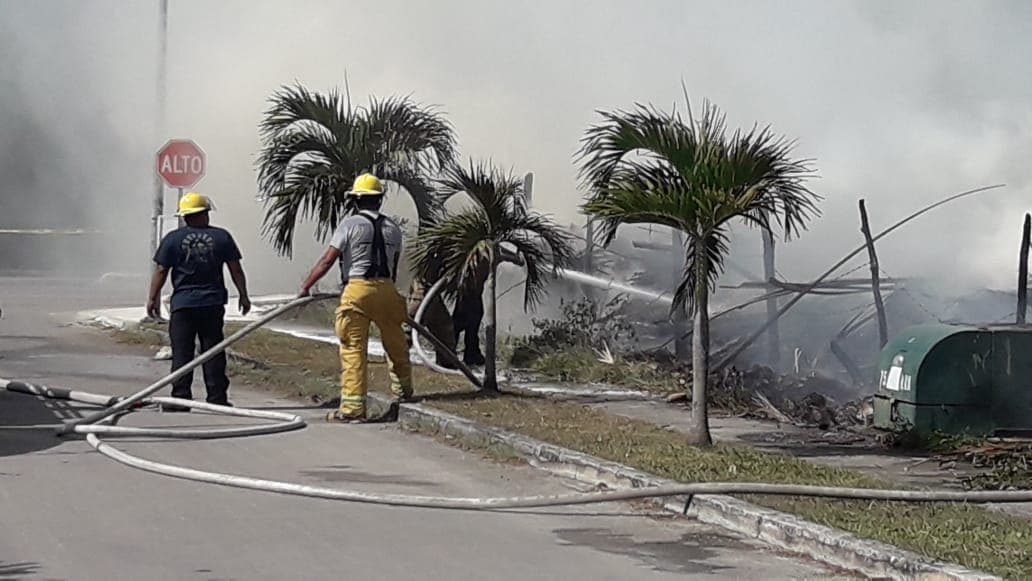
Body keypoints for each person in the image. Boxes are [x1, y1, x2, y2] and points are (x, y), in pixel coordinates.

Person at [297, 173, 412, 423]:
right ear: (379, 200)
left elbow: (328, 259)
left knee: (353, 350)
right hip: (387, 290)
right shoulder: (393, 228)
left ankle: (352, 410)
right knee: (396, 345)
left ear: (356, 200)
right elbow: (394, 264)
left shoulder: (350, 225)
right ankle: (404, 392)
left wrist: (306, 286)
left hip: (357, 290)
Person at [147, 192, 251, 411]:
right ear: (203, 214)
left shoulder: (172, 239)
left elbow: (161, 270)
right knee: (213, 351)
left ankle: (181, 398)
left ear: (185, 216)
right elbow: (236, 269)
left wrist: (152, 298)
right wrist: (243, 294)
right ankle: (217, 398)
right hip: (212, 303)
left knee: (182, 352)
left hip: (183, 304)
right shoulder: (222, 237)